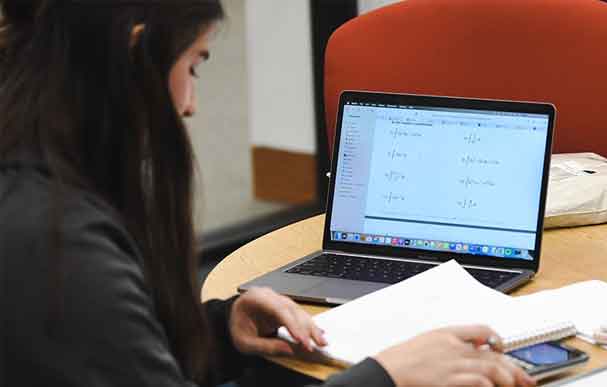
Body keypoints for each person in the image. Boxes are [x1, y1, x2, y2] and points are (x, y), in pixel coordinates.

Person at [0, 1, 535, 386]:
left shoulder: (43, 188)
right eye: (194, 64)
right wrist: (388, 376)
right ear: (136, 51)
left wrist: (214, 331)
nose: (190, 106)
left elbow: (107, 352)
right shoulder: (57, 245)